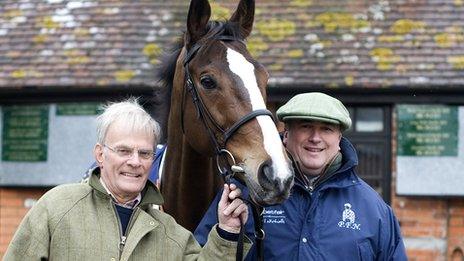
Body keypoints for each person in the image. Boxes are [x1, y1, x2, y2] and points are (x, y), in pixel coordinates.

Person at [4, 98, 251, 260]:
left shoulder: (171, 233)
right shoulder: (56, 208)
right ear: (100, 154)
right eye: (123, 151)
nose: (135, 161)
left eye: (145, 153)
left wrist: (227, 232)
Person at [194, 92, 407, 260]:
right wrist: (226, 234)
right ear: (286, 135)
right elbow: (202, 255)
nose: (315, 138)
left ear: (339, 138)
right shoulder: (243, 196)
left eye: (326, 129)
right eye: (306, 127)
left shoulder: (374, 210)